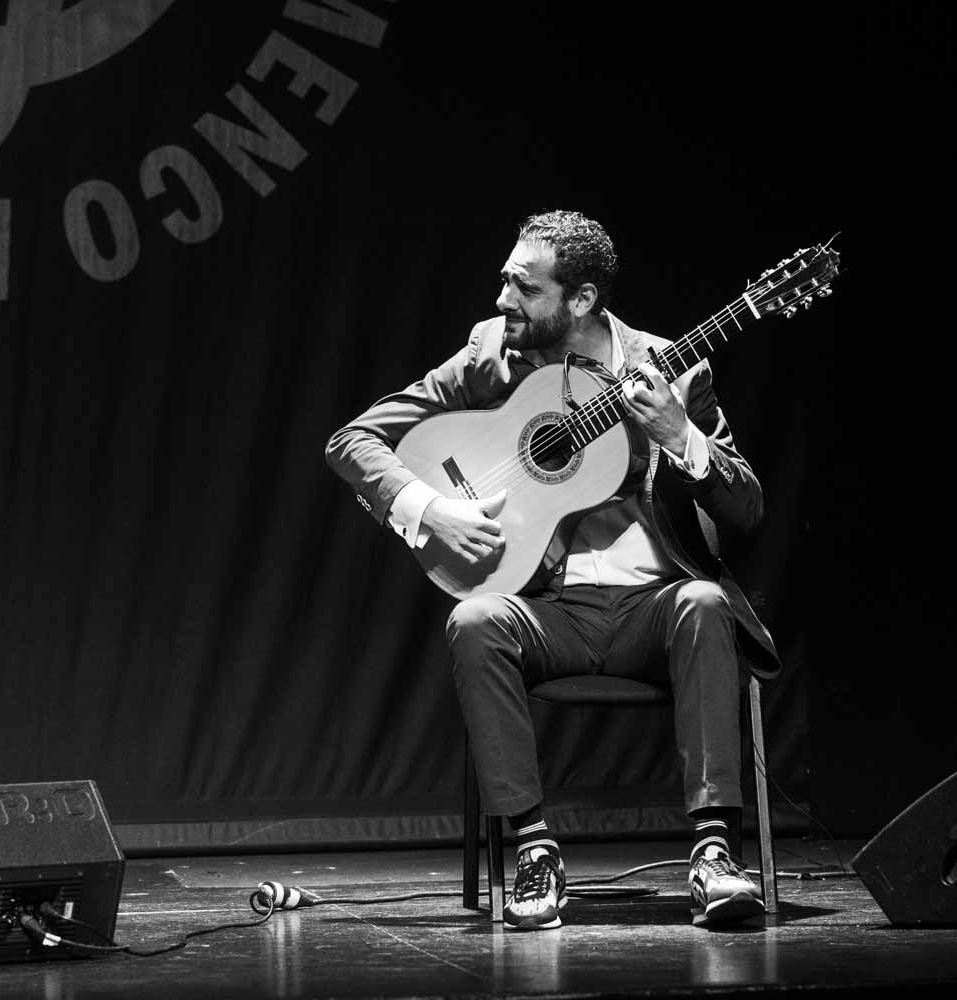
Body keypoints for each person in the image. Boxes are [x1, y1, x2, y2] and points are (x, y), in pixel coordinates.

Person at [324, 210, 778, 931]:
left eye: (523, 287)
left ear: (583, 300)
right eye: (505, 279)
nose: (503, 301)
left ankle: (715, 855)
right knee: (473, 620)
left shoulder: (673, 366)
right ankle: (535, 853)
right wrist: (429, 509)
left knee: (704, 602)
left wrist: (678, 434)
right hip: (551, 613)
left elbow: (747, 508)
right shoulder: (492, 355)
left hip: (654, 608)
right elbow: (353, 440)